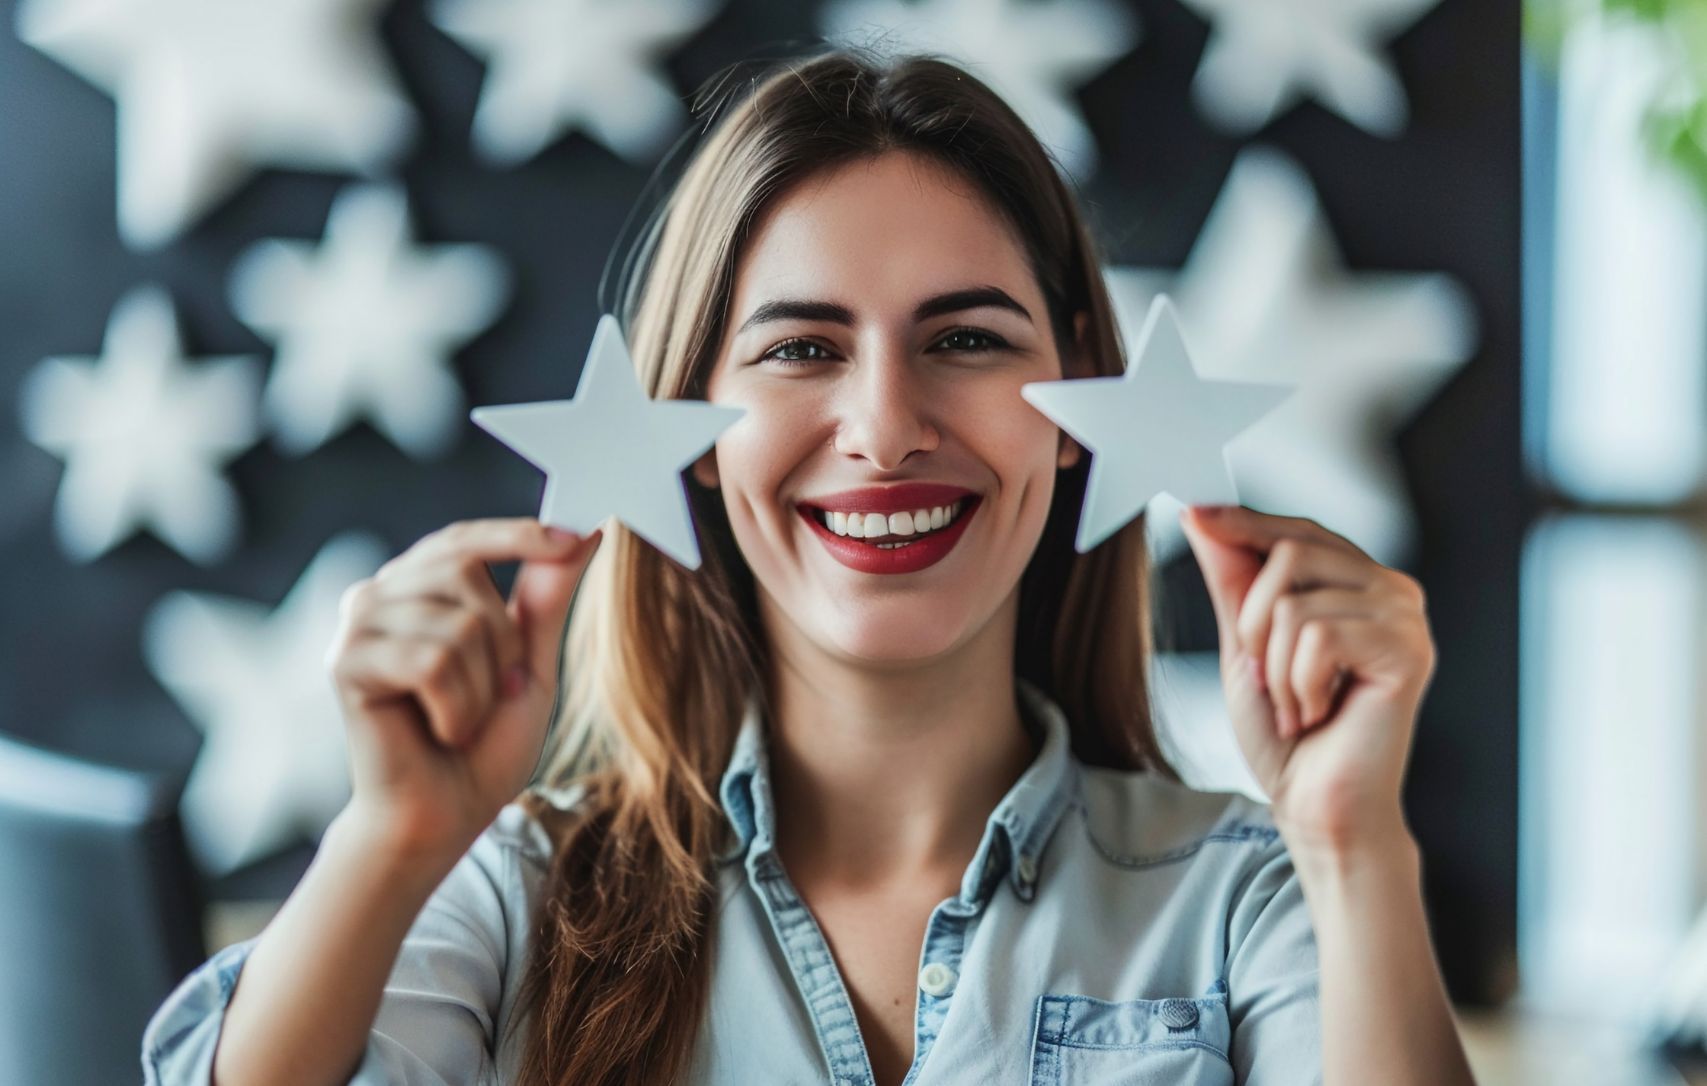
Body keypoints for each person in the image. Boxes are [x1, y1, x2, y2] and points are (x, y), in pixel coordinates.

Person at [142, 47, 1476, 1086]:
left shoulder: (1245, 900)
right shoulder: (513, 898)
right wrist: (392, 837)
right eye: (799, 349)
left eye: (965, 340)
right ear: (698, 433)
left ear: (1076, 396)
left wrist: (1358, 845)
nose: (887, 427)